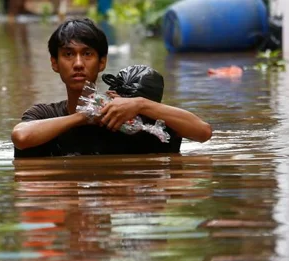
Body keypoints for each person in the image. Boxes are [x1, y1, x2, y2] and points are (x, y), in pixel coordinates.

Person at [11, 18, 212, 158]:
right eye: (68, 54)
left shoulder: (124, 115)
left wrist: (140, 104)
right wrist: (84, 116)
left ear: (102, 63)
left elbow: (202, 132)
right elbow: (21, 137)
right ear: (55, 63)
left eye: (87, 54)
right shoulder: (45, 114)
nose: (78, 63)